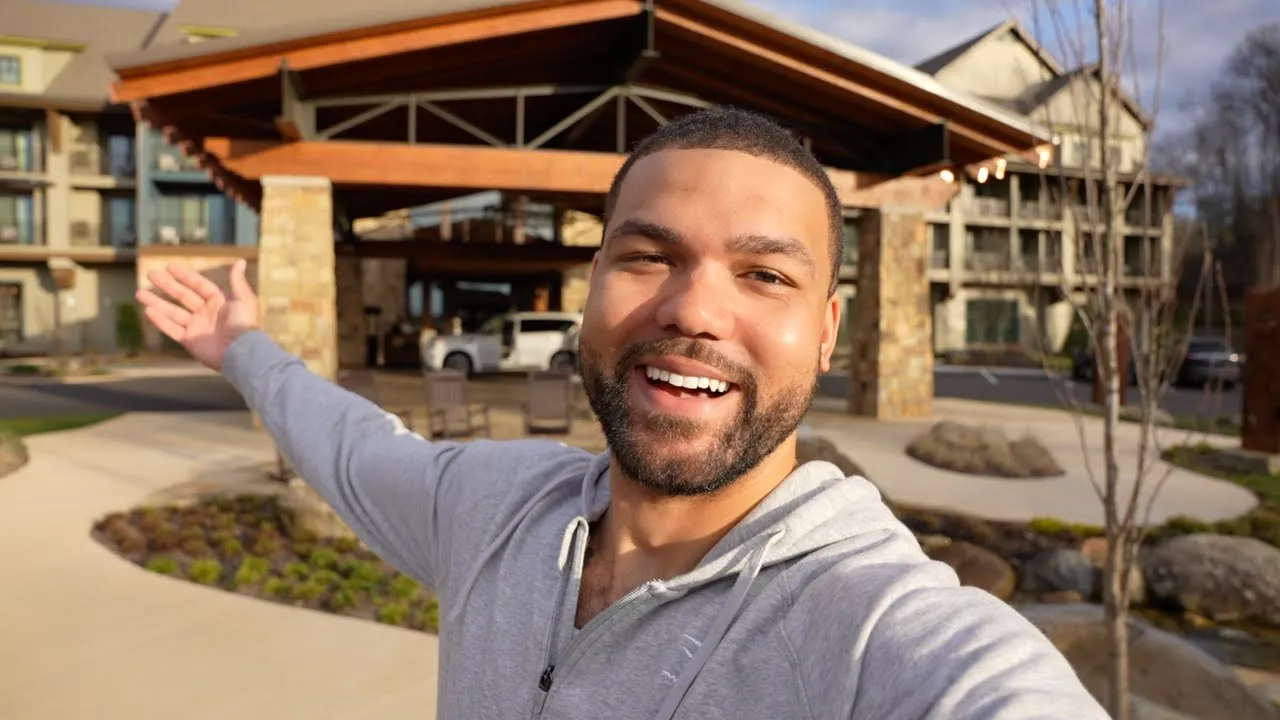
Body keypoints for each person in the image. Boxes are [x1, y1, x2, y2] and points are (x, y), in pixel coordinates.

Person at [137, 107, 1108, 719]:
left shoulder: (870, 625)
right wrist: (243, 346)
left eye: (764, 274)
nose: (693, 311)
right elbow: (349, 447)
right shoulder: (492, 510)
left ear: (826, 332)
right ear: (593, 284)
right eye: (648, 256)